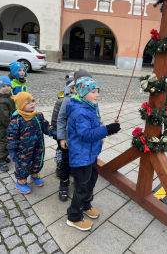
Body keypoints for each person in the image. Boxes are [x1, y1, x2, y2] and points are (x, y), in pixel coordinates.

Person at [66, 77, 121, 231]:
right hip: (81, 156)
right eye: (92, 92)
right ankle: (74, 217)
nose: (97, 95)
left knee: (91, 180)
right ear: (83, 93)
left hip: (90, 154)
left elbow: (94, 127)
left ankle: (85, 205)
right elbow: (85, 134)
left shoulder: (90, 106)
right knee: (82, 187)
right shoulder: (79, 112)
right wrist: (107, 130)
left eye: (97, 91)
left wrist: (100, 135)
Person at [57, 69, 96, 202]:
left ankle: (80, 182)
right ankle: (64, 182)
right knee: (66, 161)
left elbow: (98, 118)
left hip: (86, 140)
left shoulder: (92, 100)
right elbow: (61, 118)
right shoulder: (69, 100)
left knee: (83, 163)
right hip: (71, 140)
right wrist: (62, 138)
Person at [7, 92, 57, 194]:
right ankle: (21, 182)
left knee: (37, 162)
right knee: (23, 166)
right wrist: (12, 150)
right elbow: (11, 137)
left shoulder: (38, 116)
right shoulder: (17, 121)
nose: (32, 104)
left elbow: (46, 126)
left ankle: (34, 176)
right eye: (28, 103)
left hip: (38, 147)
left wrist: (55, 133)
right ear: (21, 105)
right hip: (23, 151)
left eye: (33, 101)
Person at [51, 75, 75, 177]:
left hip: (70, 133)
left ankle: (70, 167)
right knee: (60, 151)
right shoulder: (62, 100)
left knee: (69, 152)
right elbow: (56, 118)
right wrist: (58, 134)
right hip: (60, 133)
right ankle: (59, 166)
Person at [0, 76, 15, 171]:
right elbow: (4, 118)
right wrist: (12, 126)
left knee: (4, 143)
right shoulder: (1, 101)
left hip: (5, 126)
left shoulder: (7, 97)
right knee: (5, 144)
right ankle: (0, 160)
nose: (7, 88)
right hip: (1, 127)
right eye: (3, 86)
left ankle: (2, 156)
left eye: (8, 85)